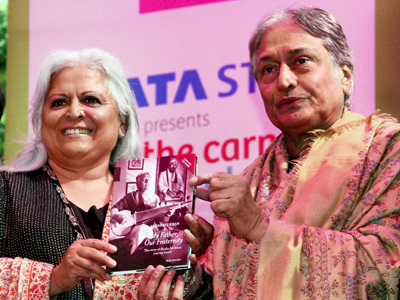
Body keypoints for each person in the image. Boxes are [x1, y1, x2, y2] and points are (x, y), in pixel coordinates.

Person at [139, 6, 400, 300]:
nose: (284, 81)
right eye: (268, 69)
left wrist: (259, 228)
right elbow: (231, 287)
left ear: (346, 75)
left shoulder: (387, 149)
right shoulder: (249, 180)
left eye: (301, 61)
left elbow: (387, 269)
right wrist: (192, 279)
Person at [0, 48, 188, 299]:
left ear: (122, 122)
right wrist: (52, 279)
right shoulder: (6, 190)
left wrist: (189, 270)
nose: (74, 112)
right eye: (59, 102)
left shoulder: (160, 198)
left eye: (91, 100)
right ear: (40, 120)